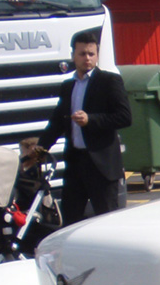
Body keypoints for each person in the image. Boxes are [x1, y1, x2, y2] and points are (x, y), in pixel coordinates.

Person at [38, 30, 132, 224]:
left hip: (102, 166)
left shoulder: (109, 81)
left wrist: (91, 120)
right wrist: (40, 149)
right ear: (73, 56)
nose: (87, 59)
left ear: (97, 55)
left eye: (91, 54)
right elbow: (57, 122)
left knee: (108, 220)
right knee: (71, 221)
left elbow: (124, 117)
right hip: (76, 164)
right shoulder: (68, 86)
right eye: (82, 54)